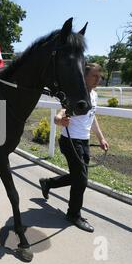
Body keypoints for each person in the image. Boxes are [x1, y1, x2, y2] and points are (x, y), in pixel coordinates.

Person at [39, 63, 109, 233]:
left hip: (84, 141)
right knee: (81, 179)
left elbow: (92, 117)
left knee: (78, 176)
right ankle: (73, 214)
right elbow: (60, 113)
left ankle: (48, 183)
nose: (98, 79)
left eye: (99, 76)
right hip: (70, 141)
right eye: (94, 75)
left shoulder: (94, 94)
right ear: (84, 76)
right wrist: (59, 120)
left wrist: (101, 138)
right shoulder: (76, 93)